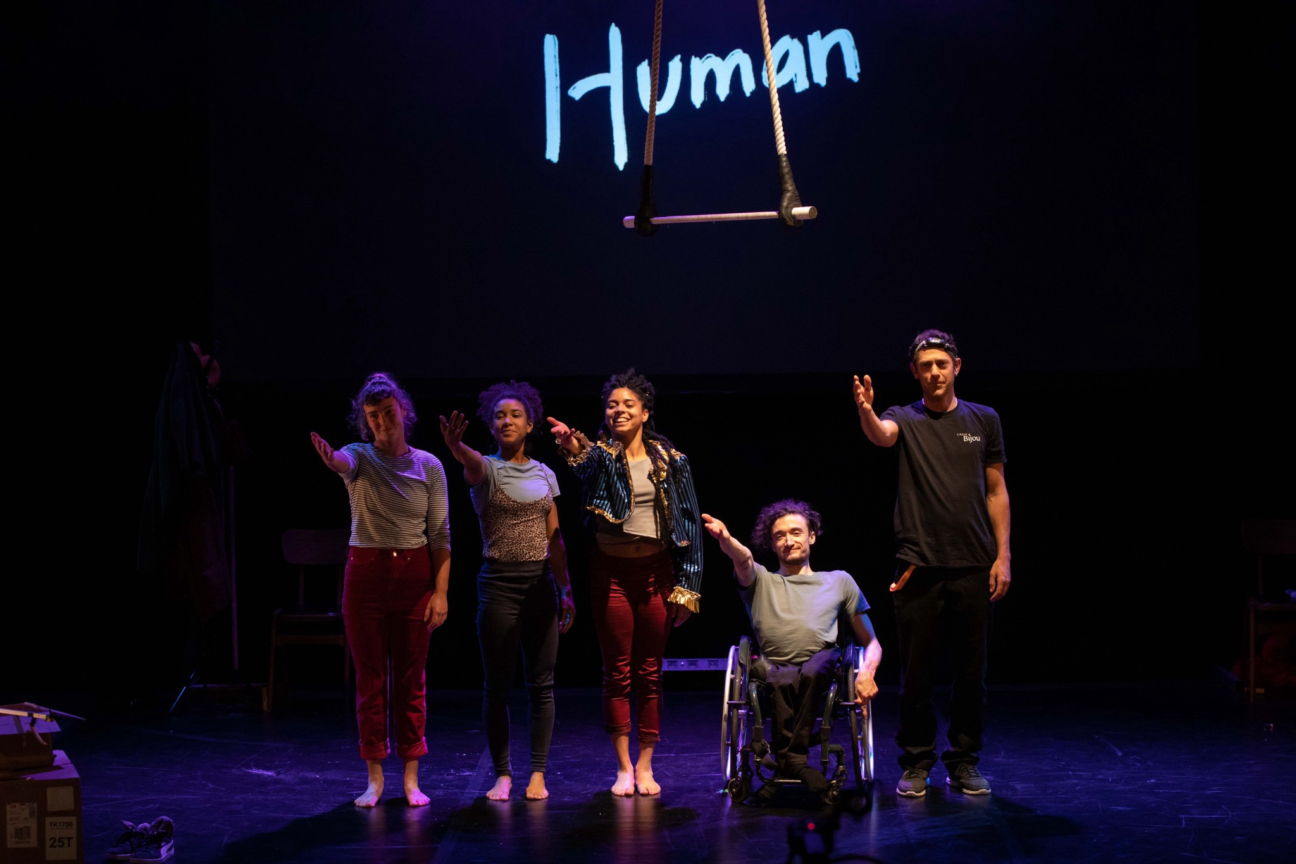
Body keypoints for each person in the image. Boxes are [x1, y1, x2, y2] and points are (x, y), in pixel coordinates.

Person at [853, 329, 1010, 798]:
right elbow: (882, 437)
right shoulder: (905, 416)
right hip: (919, 566)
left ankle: (963, 761)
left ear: (956, 367)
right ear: (915, 373)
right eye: (926, 366)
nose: (935, 372)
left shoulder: (984, 420)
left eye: (942, 363)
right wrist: (865, 411)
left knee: (970, 675)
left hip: (973, 565)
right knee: (917, 675)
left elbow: (997, 491)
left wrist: (1003, 556)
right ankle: (917, 762)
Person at [547, 369, 703, 797]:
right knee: (616, 673)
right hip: (610, 572)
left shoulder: (673, 462)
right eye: (612, 405)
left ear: (645, 413)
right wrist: (571, 443)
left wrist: (687, 589)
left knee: (649, 673)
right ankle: (622, 767)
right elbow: (584, 459)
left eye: (627, 404)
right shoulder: (602, 456)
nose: (618, 410)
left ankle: (646, 764)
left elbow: (690, 524)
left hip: (656, 575)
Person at [310, 372, 451, 808]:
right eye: (373, 417)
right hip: (366, 576)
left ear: (403, 411)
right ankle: (374, 778)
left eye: (389, 413)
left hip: (413, 576)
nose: (383, 422)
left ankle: (411, 777)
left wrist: (440, 593)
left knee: (411, 681)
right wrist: (331, 459)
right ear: (365, 421)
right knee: (371, 680)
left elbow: (441, 536)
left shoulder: (429, 465)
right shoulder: (359, 456)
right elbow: (342, 463)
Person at [439, 381, 576, 802]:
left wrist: (565, 589)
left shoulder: (545, 473)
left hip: (539, 586)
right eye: (499, 415)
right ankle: (502, 774)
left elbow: (555, 538)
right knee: (496, 686)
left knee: (542, 684)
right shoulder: (485, 467)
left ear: (530, 423)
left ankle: (537, 773)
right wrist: (456, 447)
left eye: (515, 414)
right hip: (498, 584)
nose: (506, 420)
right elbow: (468, 461)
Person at [702, 500, 881, 798]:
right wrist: (726, 540)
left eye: (796, 532)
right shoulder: (761, 581)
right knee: (780, 677)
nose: (789, 541)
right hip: (774, 666)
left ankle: (786, 764)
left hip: (822, 664)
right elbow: (744, 560)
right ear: (772, 544)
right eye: (779, 536)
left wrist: (867, 672)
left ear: (811, 536)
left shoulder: (839, 581)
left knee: (813, 669)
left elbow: (871, 642)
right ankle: (797, 764)